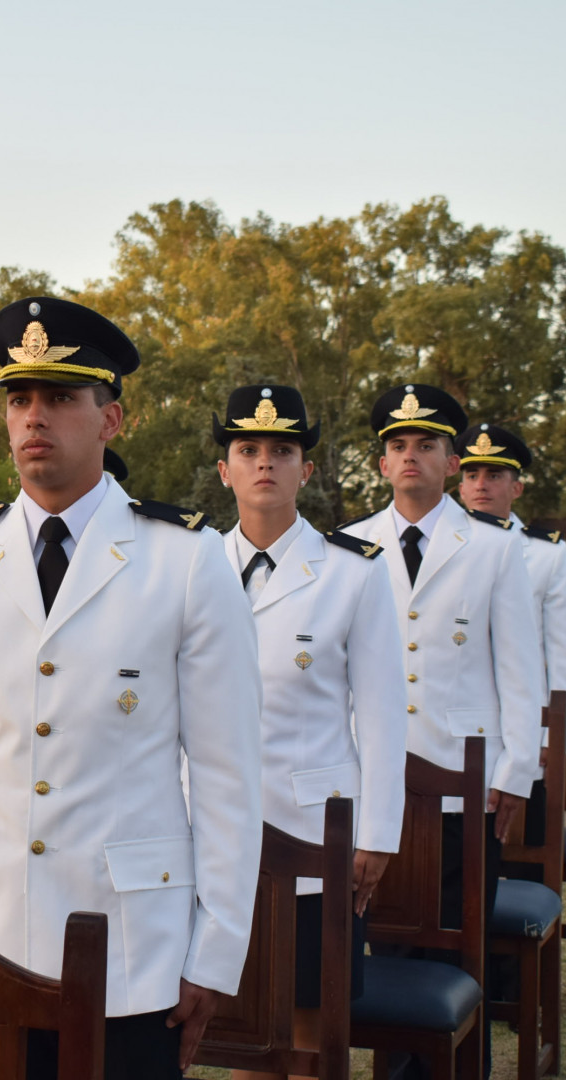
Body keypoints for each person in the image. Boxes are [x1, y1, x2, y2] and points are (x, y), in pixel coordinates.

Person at [0, 296, 263, 1079]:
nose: (35, 417)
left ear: (111, 420)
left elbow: (228, 774)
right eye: (19, 398)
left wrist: (216, 949)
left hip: (133, 943)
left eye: (61, 398)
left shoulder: (186, 561)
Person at [340, 385, 542, 1077]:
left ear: (452, 461)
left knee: (460, 954)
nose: (410, 457)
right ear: (380, 463)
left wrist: (517, 776)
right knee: (384, 949)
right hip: (377, 782)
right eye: (398, 446)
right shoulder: (353, 546)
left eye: (426, 445)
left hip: (465, 784)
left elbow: (521, 669)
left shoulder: (490, 550)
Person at [211, 384, 407, 1080]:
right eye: (249, 449)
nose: (266, 462)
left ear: (308, 471)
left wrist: (378, 833)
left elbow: (382, 711)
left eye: (283, 450)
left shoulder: (353, 574)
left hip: (312, 835)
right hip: (208, 832)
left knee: (305, 1026)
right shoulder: (190, 564)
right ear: (225, 469)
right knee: (230, 1024)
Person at [456, 422, 566, 798]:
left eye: (494, 475)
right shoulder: (436, 550)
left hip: (525, 727)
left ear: (517, 488)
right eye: (472, 474)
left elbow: (563, 659)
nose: (481, 485)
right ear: (458, 486)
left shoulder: (545, 554)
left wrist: (551, 738)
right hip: (456, 726)